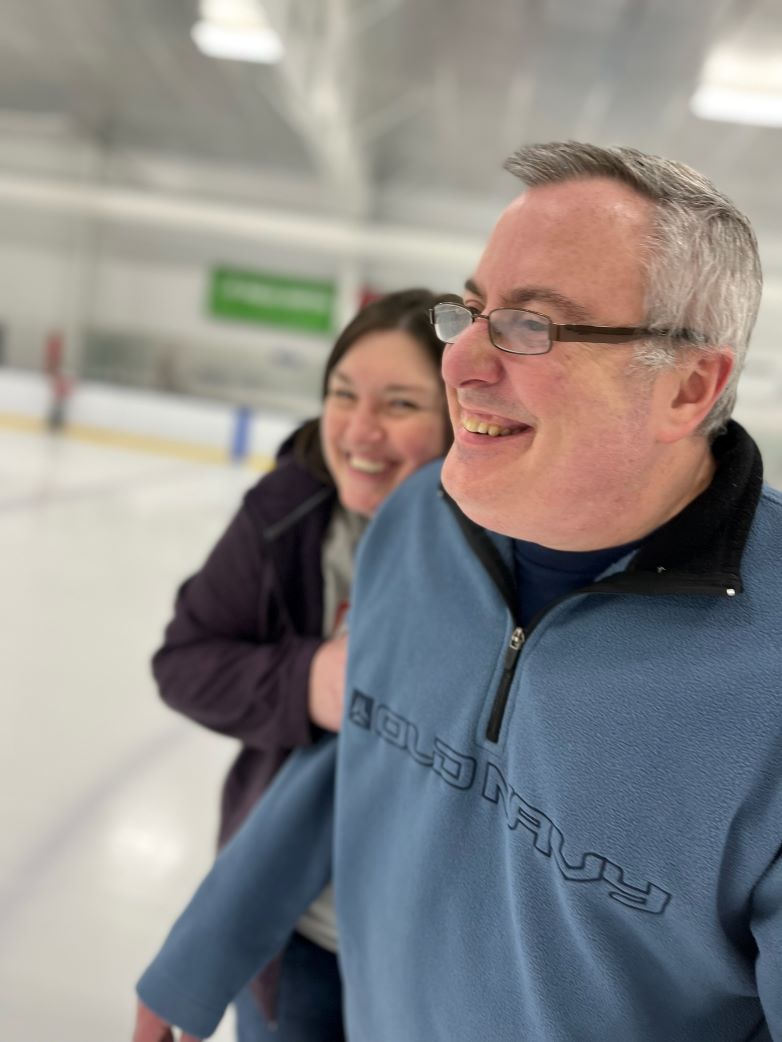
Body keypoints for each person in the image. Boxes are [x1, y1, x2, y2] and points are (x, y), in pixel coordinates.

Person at [135, 142, 782, 1041]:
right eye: (471, 313)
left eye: (531, 327)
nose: (463, 363)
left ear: (688, 386)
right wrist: (202, 952)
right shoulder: (413, 524)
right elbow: (366, 758)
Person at [139, 288, 451, 1042]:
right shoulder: (285, 514)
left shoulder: (500, 553)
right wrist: (303, 682)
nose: (360, 429)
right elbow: (186, 660)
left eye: (401, 404)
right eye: (343, 394)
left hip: (433, 946)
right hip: (292, 928)